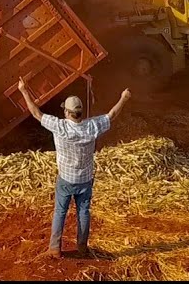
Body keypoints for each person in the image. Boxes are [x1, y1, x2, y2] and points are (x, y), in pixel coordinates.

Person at [17, 76, 131, 259]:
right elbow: (112, 115)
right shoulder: (91, 127)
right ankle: (82, 247)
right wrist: (123, 98)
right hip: (85, 180)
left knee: (60, 211)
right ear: (80, 113)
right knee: (84, 212)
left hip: (65, 179)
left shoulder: (60, 127)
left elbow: (36, 114)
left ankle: (55, 248)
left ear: (68, 113)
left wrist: (23, 90)